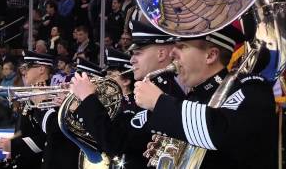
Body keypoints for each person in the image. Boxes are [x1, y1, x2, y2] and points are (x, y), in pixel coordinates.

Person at [134, 24, 278, 168]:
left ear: (210, 56)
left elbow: (223, 132)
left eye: (182, 46)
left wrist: (160, 103)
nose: (172, 53)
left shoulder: (250, 86)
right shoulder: (193, 98)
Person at [69, 21, 186, 168]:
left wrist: (88, 99)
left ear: (161, 54)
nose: (132, 60)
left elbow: (116, 142)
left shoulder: (163, 92)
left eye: (138, 53)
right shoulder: (153, 88)